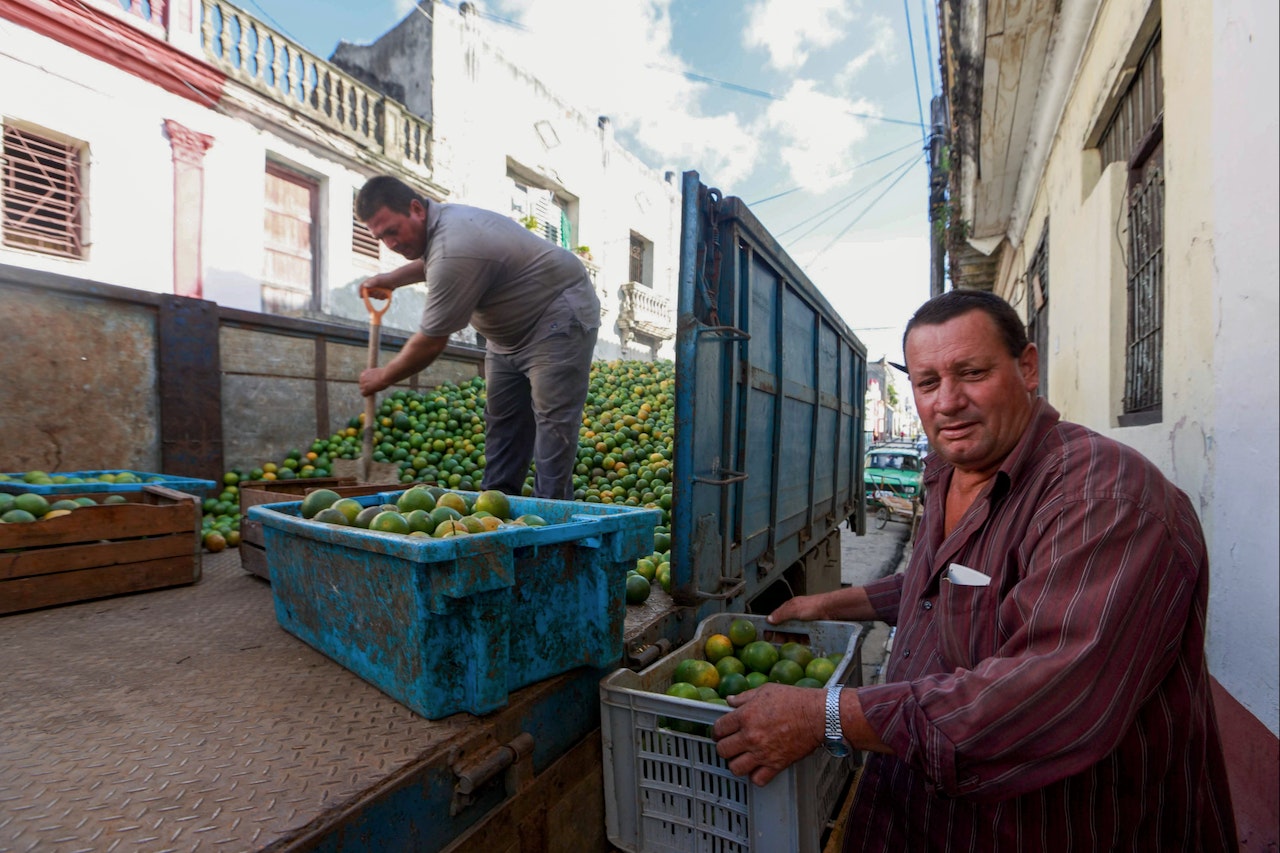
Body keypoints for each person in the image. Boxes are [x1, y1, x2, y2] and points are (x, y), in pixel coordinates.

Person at [712, 290, 1237, 850]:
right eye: (927, 382)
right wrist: (832, 604)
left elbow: (1045, 701)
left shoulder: (1105, 499)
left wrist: (827, 717)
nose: (948, 401)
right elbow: (949, 583)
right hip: (923, 816)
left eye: (972, 372)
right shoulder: (950, 470)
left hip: (1054, 828)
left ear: (1027, 367)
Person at [354, 175, 600, 500]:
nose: (391, 243)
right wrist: (391, 279)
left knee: (552, 431)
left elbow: (430, 343)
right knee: (502, 425)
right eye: (381, 236)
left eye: (392, 231)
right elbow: (432, 262)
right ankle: (494, 513)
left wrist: (381, 377)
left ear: (416, 209)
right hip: (505, 338)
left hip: (557, 317)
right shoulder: (442, 232)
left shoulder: (455, 244)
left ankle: (552, 527)